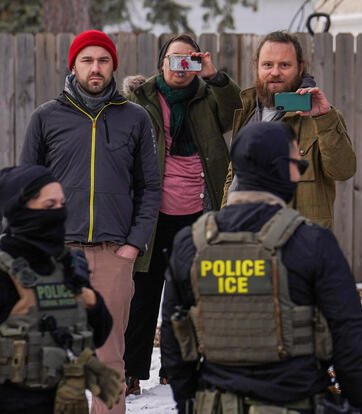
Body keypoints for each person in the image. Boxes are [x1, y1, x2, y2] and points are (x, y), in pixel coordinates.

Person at [161, 122, 362, 414]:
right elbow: (349, 337)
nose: (299, 173)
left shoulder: (191, 244)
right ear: (281, 170)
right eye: (297, 164)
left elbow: (174, 341)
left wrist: (190, 403)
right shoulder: (312, 242)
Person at [20, 29, 161, 413]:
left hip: (113, 254)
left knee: (108, 358)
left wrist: (133, 243)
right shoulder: (46, 117)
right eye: (87, 60)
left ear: (114, 65)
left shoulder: (135, 118)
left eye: (103, 60)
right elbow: (27, 188)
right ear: (74, 65)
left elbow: (150, 187)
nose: (95, 68)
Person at [122, 34, 241, 394]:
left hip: (198, 212)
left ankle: (175, 368)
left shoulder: (208, 97)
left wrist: (215, 76)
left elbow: (236, 113)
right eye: (174, 59)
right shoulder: (140, 99)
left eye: (189, 60)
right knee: (143, 295)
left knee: (187, 295)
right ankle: (131, 372)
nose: (181, 66)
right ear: (161, 63)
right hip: (151, 214)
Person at [0, 165, 123, 414]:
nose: (58, 212)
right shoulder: (5, 266)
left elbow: (98, 334)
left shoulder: (65, 262)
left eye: (62, 204)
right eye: (49, 205)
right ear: (21, 209)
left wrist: (91, 300)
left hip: (66, 402)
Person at [222, 30, 355, 229]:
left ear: (300, 68)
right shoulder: (246, 113)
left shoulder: (321, 116)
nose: (275, 72)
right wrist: (224, 220)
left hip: (297, 238)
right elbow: (233, 178)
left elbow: (343, 171)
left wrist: (324, 118)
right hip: (245, 233)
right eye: (268, 65)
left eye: (284, 65)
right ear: (256, 67)